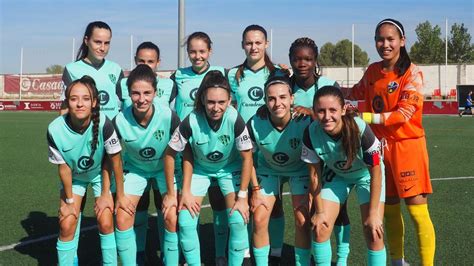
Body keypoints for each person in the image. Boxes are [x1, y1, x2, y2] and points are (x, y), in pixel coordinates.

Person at [341, 18, 436, 266]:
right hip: (380, 149)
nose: (385, 44)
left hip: (408, 147)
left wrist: (364, 116)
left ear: (402, 41)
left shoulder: (412, 73)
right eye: (380, 39)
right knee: (390, 210)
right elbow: (354, 92)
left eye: (390, 39)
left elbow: (402, 115)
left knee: (417, 212)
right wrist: (323, 86)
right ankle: (397, 261)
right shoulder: (373, 71)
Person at [162, 70, 253, 266]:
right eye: (211, 102)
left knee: (238, 219)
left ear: (229, 100)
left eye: (221, 102)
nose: (216, 107)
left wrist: (243, 197)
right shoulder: (191, 120)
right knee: (185, 221)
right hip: (200, 170)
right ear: (202, 99)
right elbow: (169, 155)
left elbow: (247, 158)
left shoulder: (234, 118)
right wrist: (176, 193)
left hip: (229, 168)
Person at [301, 85, 386, 266]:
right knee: (320, 227)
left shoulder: (360, 129)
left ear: (343, 109)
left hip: (367, 176)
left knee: (373, 230)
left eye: (333, 110)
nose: (327, 116)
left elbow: (376, 172)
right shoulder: (310, 133)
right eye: (321, 111)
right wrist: (320, 212)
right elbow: (314, 175)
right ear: (314, 112)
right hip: (338, 175)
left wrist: (373, 214)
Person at [47, 76, 128, 265]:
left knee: (106, 220)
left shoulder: (105, 124)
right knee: (67, 223)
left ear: (93, 102)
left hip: (101, 174)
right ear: (67, 102)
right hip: (75, 178)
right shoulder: (54, 129)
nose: (79, 104)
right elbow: (64, 169)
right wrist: (68, 201)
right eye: (74, 99)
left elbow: (114, 161)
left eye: (85, 99)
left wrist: (113, 194)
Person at [228, 24, 288, 263]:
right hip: (246, 145)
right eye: (249, 43)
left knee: (277, 201)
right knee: (245, 198)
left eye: (258, 42)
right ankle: (243, 249)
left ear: (266, 44)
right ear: (243, 45)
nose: (253, 47)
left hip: (276, 144)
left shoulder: (278, 73)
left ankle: (276, 249)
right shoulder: (233, 75)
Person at [289, 37, 351, 265]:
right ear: (290, 60)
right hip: (298, 160)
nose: (302, 63)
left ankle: (341, 259)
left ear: (315, 61)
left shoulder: (328, 84)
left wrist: (312, 112)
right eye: (297, 58)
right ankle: (308, 258)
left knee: (337, 209)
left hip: (329, 157)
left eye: (307, 58)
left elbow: (341, 116)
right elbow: (273, 105)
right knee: (305, 213)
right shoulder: (285, 86)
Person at [170, 31, 229, 264]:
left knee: (218, 204)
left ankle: (221, 254)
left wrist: (280, 71)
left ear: (210, 51)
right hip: (188, 151)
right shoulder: (178, 76)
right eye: (192, 51)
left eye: (202, 51)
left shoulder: (221, 74)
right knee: (186, 206)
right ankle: (186, 256)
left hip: (218, 148)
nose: (197, 56)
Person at [113, 64, 181, 265]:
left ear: (155, 92)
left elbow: (180, 153)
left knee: (170, 216)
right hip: (136, 170)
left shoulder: (168, 116)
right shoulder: (119, 120)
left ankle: (171, 260)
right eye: (135, 93)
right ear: (128, 92)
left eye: (147, 93)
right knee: (123, 216)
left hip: (164, 170)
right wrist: (120, 194)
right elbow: (114, 158)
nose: (141, 99)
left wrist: (171, 193)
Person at [247, 76, 312, 265]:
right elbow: (248, 158)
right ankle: (265, 259)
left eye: (283, 97)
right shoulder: (255, 122)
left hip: (299, 170)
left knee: (302, 219)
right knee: (258, 218)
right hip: (269, 169)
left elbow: (314, 161)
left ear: (292, 99)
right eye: (272, 99)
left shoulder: (305, 121)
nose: (278, 103)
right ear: (265, 101)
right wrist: (255, 191)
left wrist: (313, 192)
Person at [61, 21, 124, 119]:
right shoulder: (71, 69)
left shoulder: (116, 69)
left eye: (107, 43)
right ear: (86, 40)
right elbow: (66, 107)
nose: (102, 48)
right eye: (98, 42)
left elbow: (124, 103)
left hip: (112, 130)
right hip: (85, 131)